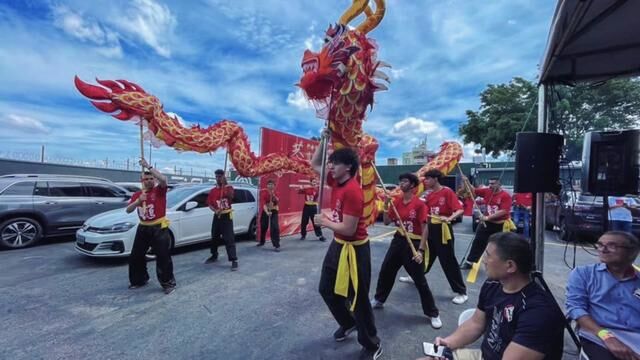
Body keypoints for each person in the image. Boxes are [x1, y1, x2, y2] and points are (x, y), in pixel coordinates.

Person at [420, 232, 565, 360]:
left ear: (510, 266)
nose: (483, 260)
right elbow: (476, 323)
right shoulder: (493, 284)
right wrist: (448, 343)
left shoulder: (538, 313)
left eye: (488, 256)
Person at [311, 142, 382, 360]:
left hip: (355, 250)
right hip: (338, 245)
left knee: (358, 298)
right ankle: (348, 322)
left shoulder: (353, 191)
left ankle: (372, 344)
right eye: (331, 163)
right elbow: (315, 163)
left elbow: (349, 229)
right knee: (326, 288)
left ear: (349, 167)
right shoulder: (335, 181)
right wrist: (324, 141)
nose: (330, 166)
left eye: (336, 163)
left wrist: (324, 222)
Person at [371, 173, 442, 328]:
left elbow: (425, 229)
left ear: (412, 185)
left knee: (419, 280)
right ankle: (379, 299)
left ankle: (433, 313)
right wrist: (386, 206)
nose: (401, 184)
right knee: (386, 271)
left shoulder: (419, 204)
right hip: (398, 240)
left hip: (414, 243)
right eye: (400, 181)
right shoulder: (396, 202)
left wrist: (421, 250)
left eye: (404, 181)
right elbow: (387, 222)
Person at [566, 231, 640, 360]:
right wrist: (607, 336)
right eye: (600, 245)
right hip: (598, 334)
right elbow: (575, 308)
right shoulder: (584, 274)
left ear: (632, 252)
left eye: (612, 245)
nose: (603, 250)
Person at [126, 158, 176, 294]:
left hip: (158, 227)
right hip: (143, 227)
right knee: (136, 255)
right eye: (146, 179)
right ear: (141, 181)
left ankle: (167, 282)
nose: (149, 181)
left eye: (151, 178)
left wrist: (148, 167)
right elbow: (128, 210)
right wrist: (137, 202)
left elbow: (164, 179)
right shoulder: (138, 194)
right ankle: (139, 280)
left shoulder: (159, 191)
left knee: (163, 256)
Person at [422, 169, 468, 305]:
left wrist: (449, 218)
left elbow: (460, 209)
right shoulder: (429, 195)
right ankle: (417, 276)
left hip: (442, 230)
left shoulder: (447, 192)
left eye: (428, 179)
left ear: (435, 179)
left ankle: (461, 291)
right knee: (425, 255)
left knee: (448, 260)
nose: (426, 181)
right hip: (430, 228)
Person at [461, 177, 514, 270]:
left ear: (499, 184)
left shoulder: (505, 196)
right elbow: (473, 191)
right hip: (487, 223)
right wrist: (467, 181)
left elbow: (504, 211)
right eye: (490, 183)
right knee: (478, 241)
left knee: (500, 245)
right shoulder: (487, 191)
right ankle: (470, 262)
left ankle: (501, 264)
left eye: (493, 183)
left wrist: (488, 217)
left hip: (500, 224)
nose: (491, 185)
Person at [205, 169, 238, 271]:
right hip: (217, 216)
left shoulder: (229, 188)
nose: (218, 178)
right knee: (214, 236)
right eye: (217, 177)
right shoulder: (213, 191)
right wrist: (215, 210)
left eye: (220, 176)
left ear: (224, 177)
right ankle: (214, 255)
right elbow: (209, 204)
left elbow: (231, 197)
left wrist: (225, 188)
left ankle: (233, 260)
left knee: (229, 238)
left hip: (226, 216)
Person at [257, 179, 281, 251]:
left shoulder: (276, 192)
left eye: (272, 184)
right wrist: (267, 212)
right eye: (269, 184)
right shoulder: (264, 192)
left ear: (274, 186)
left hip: (274, 210)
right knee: (263, 225)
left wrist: (273, 195)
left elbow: (277, 201)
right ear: (267, 185)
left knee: (275, 227)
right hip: (266, 210)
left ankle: (276, 245)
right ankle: (262, 241)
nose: (270, 186)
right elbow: (263, 204)